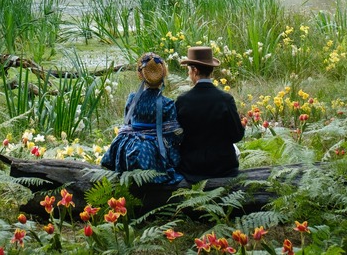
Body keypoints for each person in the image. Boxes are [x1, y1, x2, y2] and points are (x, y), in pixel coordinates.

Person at [101, 52, 184, 184]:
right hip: (150, 150)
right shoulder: (167, 103)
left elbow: (127, 124)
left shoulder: (132, 99)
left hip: (128, 147)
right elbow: (173, 134)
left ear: (140, 75)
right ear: (164, 75)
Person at [175, 46, 245, 182]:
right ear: (211, 70)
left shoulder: (183, 100)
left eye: (189, 69)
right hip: (224, 168)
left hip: (192, 169)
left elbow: (177, 136)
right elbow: (236, 136)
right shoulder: (225, 99)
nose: (189, 73)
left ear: (195, 70)